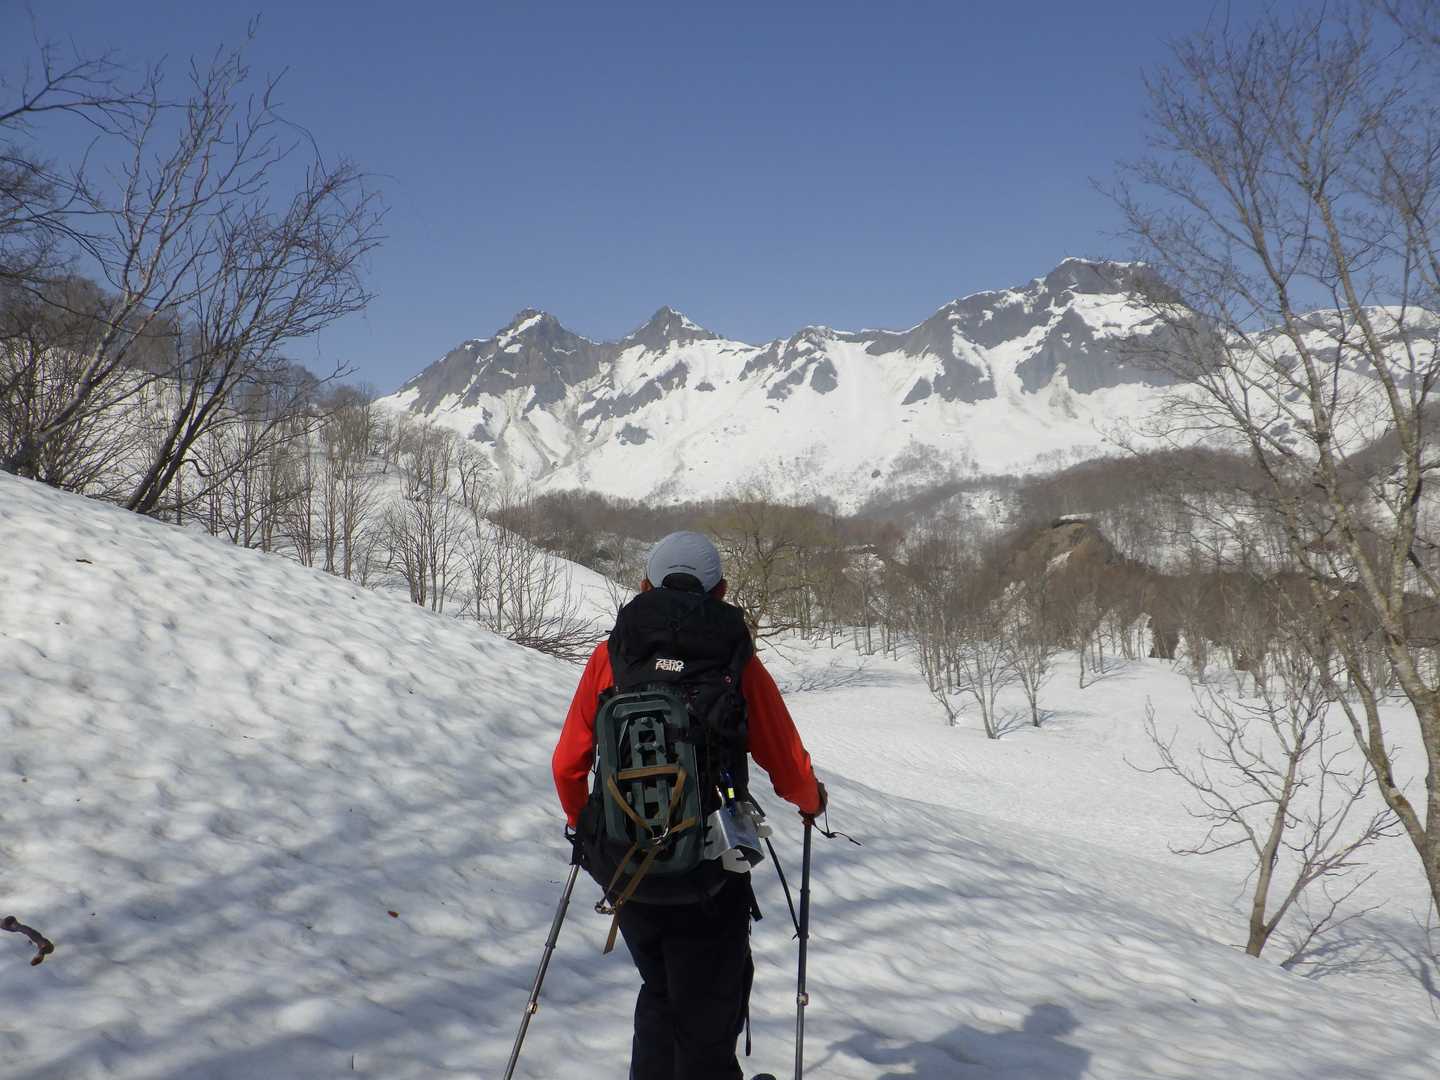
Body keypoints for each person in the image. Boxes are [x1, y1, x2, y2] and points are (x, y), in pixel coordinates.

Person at [552, 530, 826, 1080]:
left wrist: (593, 833)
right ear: (719, 591)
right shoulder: (734, 659)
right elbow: (786, 762)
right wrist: (810, 801)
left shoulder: (612, 655)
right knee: (708, 1008)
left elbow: (567, 765)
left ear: (645, 585)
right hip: (710, 868)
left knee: (660, 990)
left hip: (628, 864)